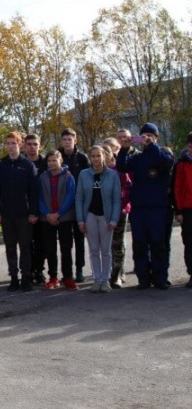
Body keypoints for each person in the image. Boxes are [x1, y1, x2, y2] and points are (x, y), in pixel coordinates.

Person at [116, 123, 175, 289]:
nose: (147, 138)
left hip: (158, 208)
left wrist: (152, 146)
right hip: (140, 208)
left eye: (150, 135)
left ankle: (160, 278)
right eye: (144, 135)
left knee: (158, 243)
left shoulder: (163, 154)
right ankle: (143, 278)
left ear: (156, 137)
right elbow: (122, 166)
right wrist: (124, 148)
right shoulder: (138, 158)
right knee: (140, 244)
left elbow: (165, 165)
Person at [0, 131, 39, 291]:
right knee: (10, 247)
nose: (11, 146)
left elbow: (34, 192)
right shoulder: (1, 166)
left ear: (20, 144)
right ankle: (14, 277)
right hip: (7, 214)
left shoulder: (27, 165)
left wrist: (34, 212)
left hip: (24, 215)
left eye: (14, 143)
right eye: (8, 143)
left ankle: (26, 277)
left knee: (25, 247)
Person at [75, 146, 121, 293]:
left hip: (106, 217)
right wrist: (80, 220)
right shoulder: (84, 174)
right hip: (90, 215)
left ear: (104, 156)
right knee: (94, 250)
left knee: (106, 250)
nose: (95, 159)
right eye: (93, 156)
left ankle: (105, 280)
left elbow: (116, 199)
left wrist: (114, 219)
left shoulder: (112, 175)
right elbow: (79, 198)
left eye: (98, 156)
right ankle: (96, 279)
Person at [38, 151, 77, 290]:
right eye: (49, 161)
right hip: (47, 218)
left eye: (54, 160)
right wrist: (48, 214)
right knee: (50, 249)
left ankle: (68, 277)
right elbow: (39, 198)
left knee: (66, 249)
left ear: (60, 160)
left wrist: (59, 213)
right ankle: (53, 277)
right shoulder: (42, 177)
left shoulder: (68, 176)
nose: (52, 163)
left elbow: (70, 197)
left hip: (65, 217)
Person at [59, 128, 90, 283]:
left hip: (79, 204)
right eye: (64, 139)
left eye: (69, 139)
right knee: (65, 241)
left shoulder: (83, 158)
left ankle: (79, 269)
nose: (67, 142)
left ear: (75, 141)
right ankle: (67, 272)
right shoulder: (57, 156)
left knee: (79, 240)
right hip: (62, 205)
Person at [101, 141, 132, 288]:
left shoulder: (119, 170)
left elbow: (127, 189)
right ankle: (105, 275)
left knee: (117, 245)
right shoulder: (94, 172)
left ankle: (117, 275)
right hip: (100, 214)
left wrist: (118, 207)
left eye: (104, 154)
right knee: (104, 247)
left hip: (119, 212)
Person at [23, 134, 48, 284]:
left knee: (41, 243)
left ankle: (39, 270)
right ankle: (29, 271)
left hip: (43, 209)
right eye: (29, 144)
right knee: (27, 244)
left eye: (35, 144)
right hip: (25, 210)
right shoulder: (21, 163)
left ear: (40, 146)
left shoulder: (46, 163)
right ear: (24, 146)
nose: (32, 147)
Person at [173, 132, 192, 287]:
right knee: (189, 243)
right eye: (190, 146)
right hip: (187, 209)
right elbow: (177, 189)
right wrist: (178, 211)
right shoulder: (181, 164)